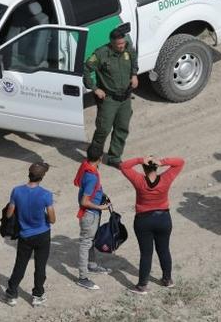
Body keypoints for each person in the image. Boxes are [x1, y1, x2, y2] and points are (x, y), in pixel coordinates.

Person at [120, 155, 185, 294]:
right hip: (163, 219)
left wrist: (138, 160)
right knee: (164, 250)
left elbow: (123, 166)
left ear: (143, 167)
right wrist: (163, 162)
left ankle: (142, 285)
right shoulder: (166, 179)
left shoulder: (138, 180)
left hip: (143, 220)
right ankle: (167, 280)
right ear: (156, 166)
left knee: (146, 254)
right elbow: (180, 162)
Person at [83, 25, 139, 167]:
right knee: (103, 129)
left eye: (123, 43)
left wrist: (134, 75)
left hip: (125, 98)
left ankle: (114, 157)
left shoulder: (128, 49)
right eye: (118, 44)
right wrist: (95, 88)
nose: (121, 46)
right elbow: (85, 69)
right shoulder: (102, 54)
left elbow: (134, 60)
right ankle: (94, 157)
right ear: (112, 43)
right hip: (109, 99)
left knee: (122, 128)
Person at [4, 162, 56, 307]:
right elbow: (52, 219)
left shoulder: (16, 191)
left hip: (25, 235)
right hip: (42, 234)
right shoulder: (46, 194)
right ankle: (37, 295)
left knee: (20, 265)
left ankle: (11, 294)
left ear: (29, 174)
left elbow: (9, 214)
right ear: (42, 177)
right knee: (40, 266)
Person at [73, 145, 113, 290]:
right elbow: (84, 201)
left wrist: (101, 195)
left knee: (90, 241)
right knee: (86, 243)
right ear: (100, 158)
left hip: (90, 214)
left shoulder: (86, 166)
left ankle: (92, 265)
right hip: (89, 214)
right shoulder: (91, 176)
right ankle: (82, 277)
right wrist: (100, 207)